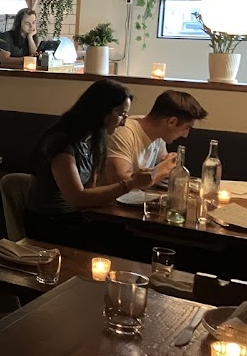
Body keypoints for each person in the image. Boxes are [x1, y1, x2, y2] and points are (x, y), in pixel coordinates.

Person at [26, 79, 153, 246]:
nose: (124, 122)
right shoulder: (61, 142)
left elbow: (90, 190)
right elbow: (77, 198)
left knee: (133, 235)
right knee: (126, 243)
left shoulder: (95, 139)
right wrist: (130, 184)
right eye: (121, 114)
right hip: (49, 224)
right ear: (103, 111)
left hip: (76, 218)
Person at [101, 90, 209, 187]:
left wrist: (169, 162)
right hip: (111, 202)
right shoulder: (123, 132)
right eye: (186, 128)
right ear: (171, 122)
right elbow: (119, 181)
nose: (185, 135)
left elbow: (163, 164)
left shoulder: (160, 135)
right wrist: (165, 169)